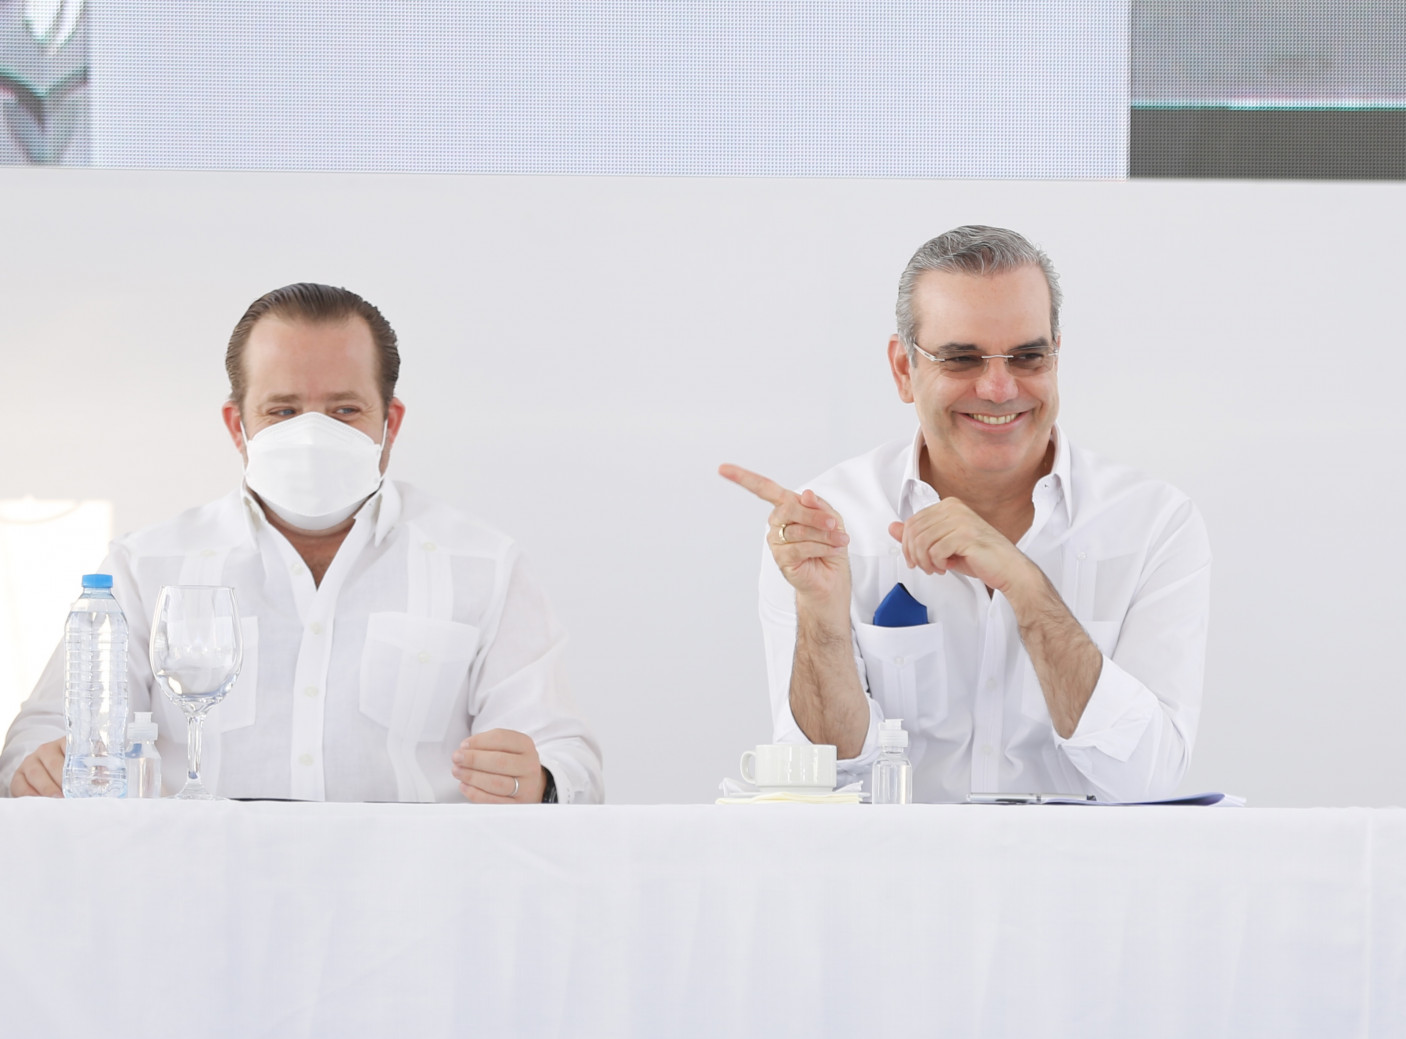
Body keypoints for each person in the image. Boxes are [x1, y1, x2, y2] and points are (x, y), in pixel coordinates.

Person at [2, 283, 602, 802]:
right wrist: (43, 768)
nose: (312, 436)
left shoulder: (482, 566)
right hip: (194, 886)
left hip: (413, 891)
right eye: (283, 411)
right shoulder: (146, 568)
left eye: (344, 410)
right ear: (238, 425)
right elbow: (41, 739)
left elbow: (567, 757)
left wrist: (538, 780)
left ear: (389, 423)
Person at [721, 225, 1210, 803]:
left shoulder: (1154, 524)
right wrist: (822, 620)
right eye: (961, 359)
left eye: (1028, 357)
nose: (999, 388)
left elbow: (1148, 780)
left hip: (1080, 863)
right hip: (894, 862)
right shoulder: (825, 524)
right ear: (904, 369)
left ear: (1056, 356)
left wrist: (1028, 590)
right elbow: (824, 780)